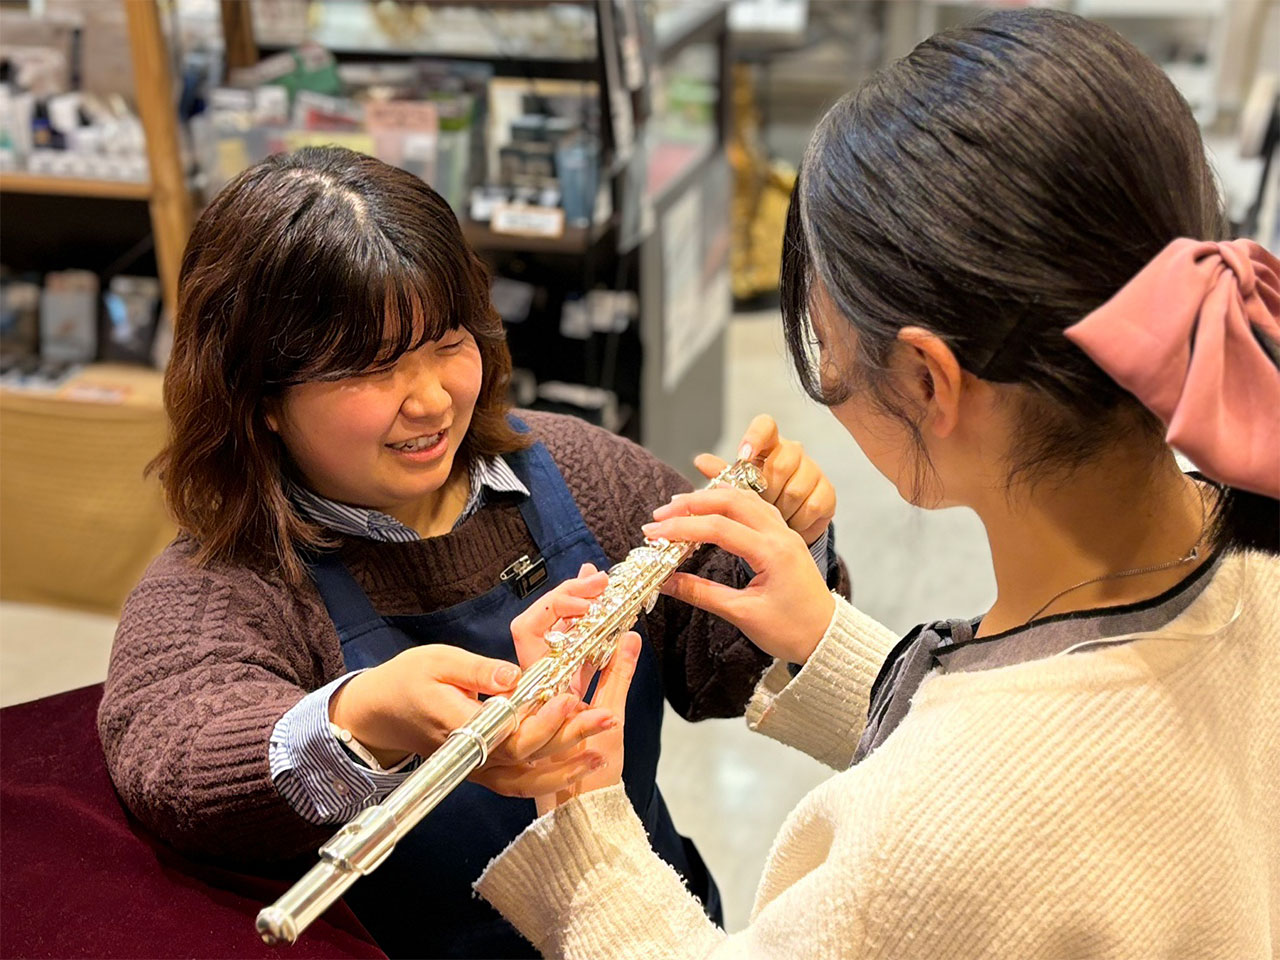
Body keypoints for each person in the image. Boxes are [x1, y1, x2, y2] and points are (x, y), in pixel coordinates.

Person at [472, 9, 1280, 958]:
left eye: (831, 359)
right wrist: (831, 647)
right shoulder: (1242, 556)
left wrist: (582, 818)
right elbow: (1049, 768)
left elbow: (983, 814)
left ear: (930, 380)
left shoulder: (924, 845)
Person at [96, 147, 848, 958]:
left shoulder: (579, 469)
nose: (431, 399)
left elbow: (720, 675)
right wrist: (363, 720)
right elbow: (170, 757)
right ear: (259, 397)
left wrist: (789, 543)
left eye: (448, 343)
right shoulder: (220, 584)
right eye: (372, 369)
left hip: (649, 929)